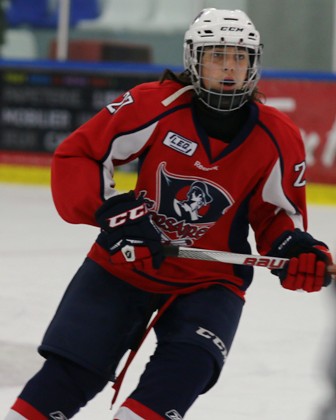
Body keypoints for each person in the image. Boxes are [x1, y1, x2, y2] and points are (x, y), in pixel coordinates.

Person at [5, 8, 334, 420]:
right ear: (194, 61)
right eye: (217, 56)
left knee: (167, 392)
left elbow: (276, 215)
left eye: (239, 57)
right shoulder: (154, 104)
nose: (230, 68)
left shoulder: (279, 135)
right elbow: (80, 154)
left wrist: (293, 247)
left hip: (209, 284)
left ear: (254, 63)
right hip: (126, 263)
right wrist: (116, 214)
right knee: (55, 389)